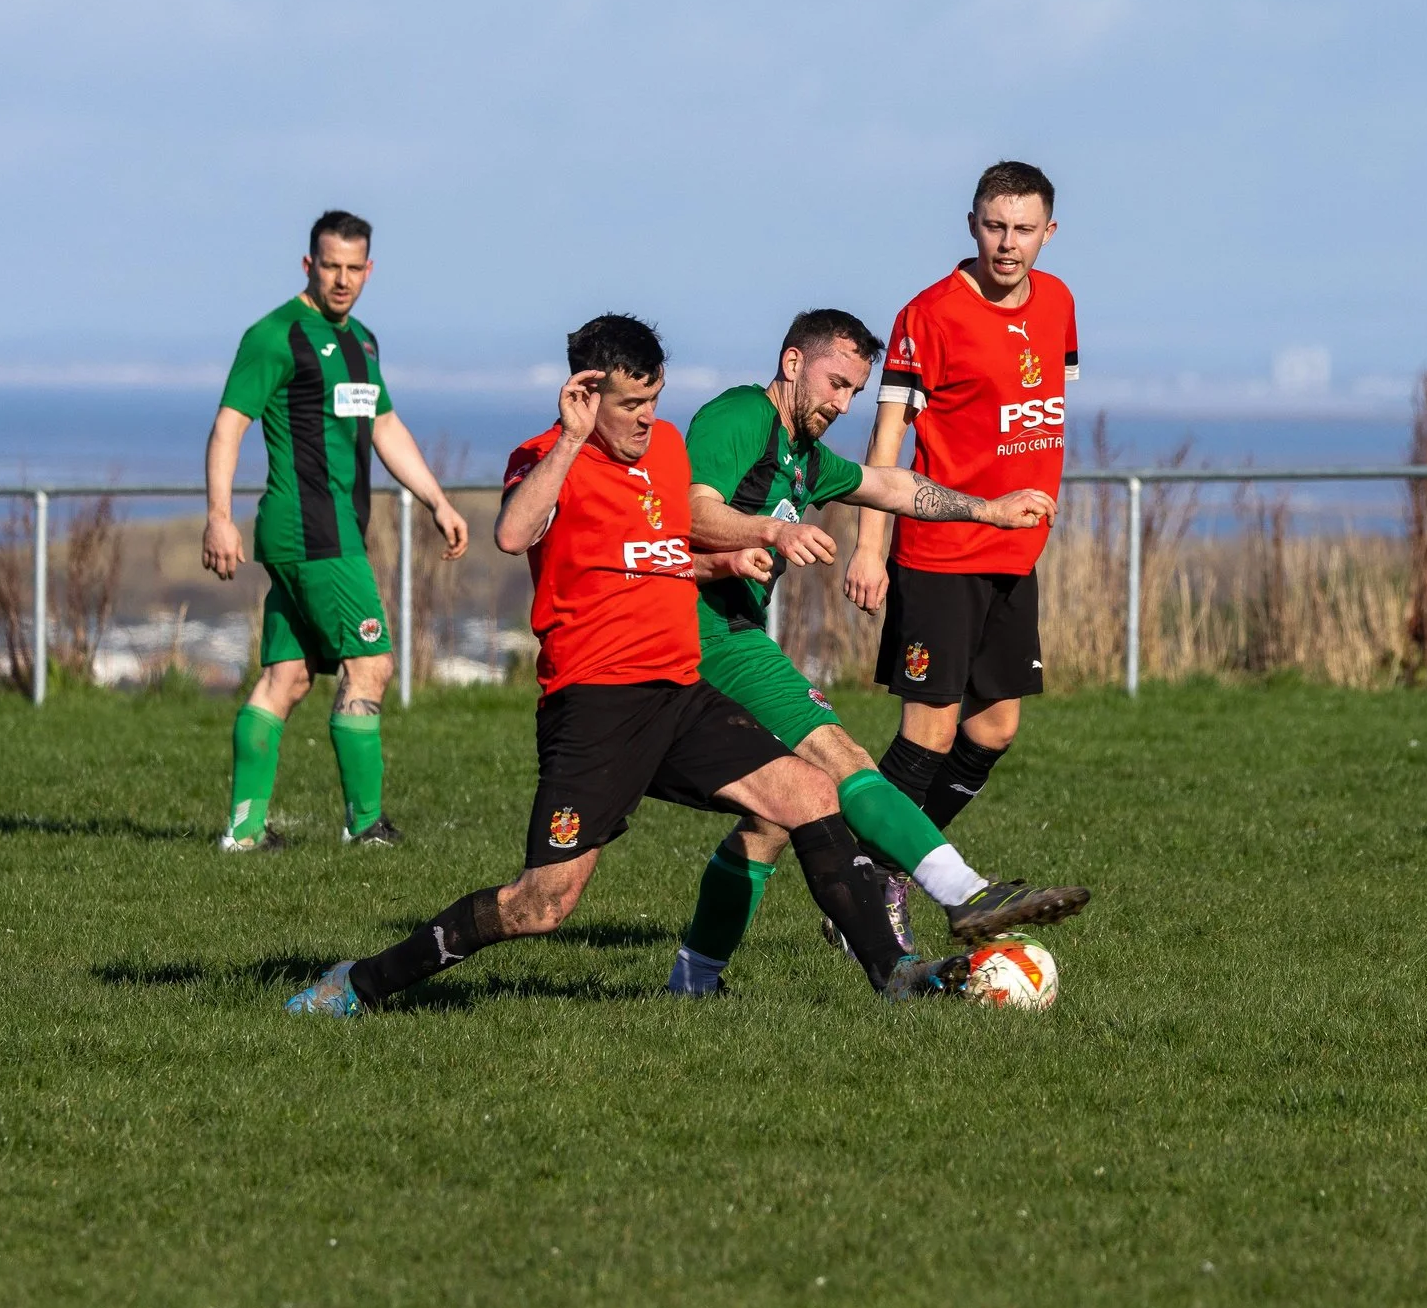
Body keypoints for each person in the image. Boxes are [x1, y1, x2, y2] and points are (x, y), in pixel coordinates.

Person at [285, 314, 947, 1017]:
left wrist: (718, 560)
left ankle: (894, 974)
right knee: (539, 904)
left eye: (654, 400)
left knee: (810, 794)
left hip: (679, 691)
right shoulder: (544, 455)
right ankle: (360, 984)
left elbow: (654, 554)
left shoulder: (663, 449)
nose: (647, 419)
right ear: (584, 395)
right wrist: (570, 442)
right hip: (595, 707)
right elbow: (512, 533)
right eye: (629, 405)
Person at [670, 307, 1092, 997]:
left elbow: (889, 485)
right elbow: (689, 509)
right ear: (793, 364)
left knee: (774, 813)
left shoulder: (804, 456)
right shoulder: (739, 416)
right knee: (842, 756)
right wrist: (770, 535)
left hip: (715, 633)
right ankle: (966, 894)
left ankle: (692, 983)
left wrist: (984, 509)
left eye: (853, 393)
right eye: (834, 384)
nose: (841, 404)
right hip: (704, 630)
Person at [203, 210, 469, 852]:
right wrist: (218, 515)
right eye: (330, 266)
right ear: (308, 265)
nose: (342, 279)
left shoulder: (364, 343)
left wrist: (436, 498)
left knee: (287, 677)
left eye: (355, 268)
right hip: (312, 531)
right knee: (372, 663)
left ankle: (243, 833)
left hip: (330, 532)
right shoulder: (275, 335)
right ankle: (367, 826)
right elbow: (229, 426)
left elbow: (384, 426)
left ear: (369, 269)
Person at [845, 161, 1076, 842]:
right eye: (995, 226)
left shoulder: (1059, 304)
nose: (1008, 242)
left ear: (1049, 232)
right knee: (930, 735)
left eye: (1024, 229)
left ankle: (893, 860)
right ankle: (861, 879)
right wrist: (868, 550)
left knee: (995, 728)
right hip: (939, 554)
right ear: (973, 225)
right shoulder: (929, 314)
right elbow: (885, 443)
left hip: (1011, 555)